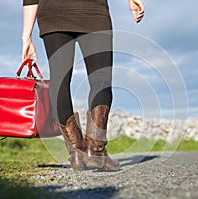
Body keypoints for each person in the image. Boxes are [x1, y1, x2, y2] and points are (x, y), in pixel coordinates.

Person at [21, 0, 144, 171]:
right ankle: (96, 151)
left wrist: (26, 36)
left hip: (53, 13)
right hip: (92, 10)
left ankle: (77, 153)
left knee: (60, 80)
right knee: (100, 80)